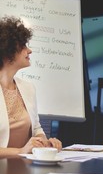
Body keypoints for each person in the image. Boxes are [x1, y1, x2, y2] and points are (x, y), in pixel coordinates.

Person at [0, 16, 62, 156]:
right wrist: (20, 151)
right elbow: (23, 150)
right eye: (23, 46)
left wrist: (44, 142)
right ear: (6, 50)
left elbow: (36, 129)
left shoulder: (28, 88)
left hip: (25, 168)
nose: (29, 51)